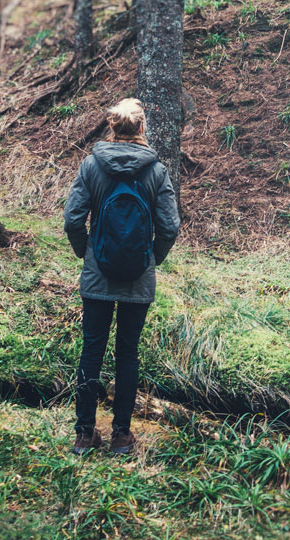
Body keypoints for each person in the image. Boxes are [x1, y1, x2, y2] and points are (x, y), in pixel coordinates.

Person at [63, 98, 180, 455]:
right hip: (138, 277)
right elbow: (170, 226)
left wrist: (87, 253)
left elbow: (72, 220)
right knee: (127, 354)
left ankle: (84, 435)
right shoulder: (156, 171)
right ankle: (121, 436)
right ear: (142, 128)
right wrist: (151, 259)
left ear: (112, 128)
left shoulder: (90, 166)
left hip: (98, 275)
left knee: (91, 351)